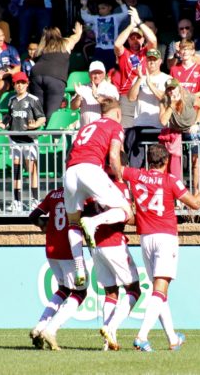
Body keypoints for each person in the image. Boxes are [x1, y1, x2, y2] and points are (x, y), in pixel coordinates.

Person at [123, 143, 200, 351]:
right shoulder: (170, 180)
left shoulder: (136, 175)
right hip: (165, 237)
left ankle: (172, 338)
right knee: (160, 290)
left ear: (149, 160)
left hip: (145, 239)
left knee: (159, 292)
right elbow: (195, 203)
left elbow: (118, 168)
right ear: (166, 161)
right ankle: (142, 336)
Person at [63, 98, 134, 287]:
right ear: (118, 113)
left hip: (71, 171)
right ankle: (92, 222)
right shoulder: (115, 126)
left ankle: (79, 266)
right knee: (125, 210)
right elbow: (114, 156)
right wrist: (119, 178)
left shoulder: (87, 127)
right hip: (91, 169)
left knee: (73, 222)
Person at [83, 155, 141, 352]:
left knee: (110, 292)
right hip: (114, 242)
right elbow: (126, 217)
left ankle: (108, 341)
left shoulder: (94, 187)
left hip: (95, 245)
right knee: (134, 289)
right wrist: (142, 218)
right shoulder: (119, 187)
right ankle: (111, 327)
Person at [27, 187, 87, 351]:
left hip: (51, 250)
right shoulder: (79, 194)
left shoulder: (53, 194)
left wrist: (43, 225)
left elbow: (33, 216)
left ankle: (39, 327)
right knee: (80, 293)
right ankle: (51, 330)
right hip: (68, 250)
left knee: (63, 289)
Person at [0, 71, 46, 212]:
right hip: (15, 139)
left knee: (32, 169)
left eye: (22, 83)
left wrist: (35, 125)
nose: (19, 85)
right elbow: (8, 116)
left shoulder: (33, 99)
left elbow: (42, 117)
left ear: (27, 84)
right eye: (17, 83)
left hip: (29, 139)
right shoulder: (12, 100)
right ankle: (17, 201)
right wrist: (2, 123)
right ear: (13, 85)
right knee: (16, 170)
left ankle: (35, 199)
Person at [125, 48, 171, 168]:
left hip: (159, 125)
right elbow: (131, 97)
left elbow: (166, 98)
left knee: (156, 162)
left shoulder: (167, 79)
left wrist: (150, 85)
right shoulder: (139, 78)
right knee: (136, 163)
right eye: (149, 59)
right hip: (140, 124)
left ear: (160, 61)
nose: (152, 62)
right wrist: (140, 79)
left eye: (154, 60)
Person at [114, 8, 158, 128]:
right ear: (128, 40)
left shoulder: (147, 51)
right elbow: (117, 44)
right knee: (127, 131)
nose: (135, 40)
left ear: (143, 39)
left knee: (145, 130)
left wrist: (138, 21)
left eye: (138, 37)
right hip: (127, 96)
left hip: (145, 94)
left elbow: (153, 40)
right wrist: (131, 26)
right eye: (132, 38)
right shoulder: (124, 53)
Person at [159, 79, 200, 192]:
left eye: (173, 88)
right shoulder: (164, 101)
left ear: (178, 88)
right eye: (169, 89)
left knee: (196, 161)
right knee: (174, 161)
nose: (172, 91)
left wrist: (197, 123)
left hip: (193, 128)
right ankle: (177, 192)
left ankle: (196, 192)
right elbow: (163, 121)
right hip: (177, 131)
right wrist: (171, 105)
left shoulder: (188, 96)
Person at [30, 22, 83, 119]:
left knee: (38, 113)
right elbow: (75, 38)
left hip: (36, 75)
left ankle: (38, 128)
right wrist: (78, 32)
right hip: (55, 76)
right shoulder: (65, 43)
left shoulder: (41, 47)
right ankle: (51, 128)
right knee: (52, 113)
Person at [80, 0, 128, 71]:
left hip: (112, 49)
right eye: (99, 9)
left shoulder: (115, 17)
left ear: (110, 8)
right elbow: (85, 17)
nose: (100, 10)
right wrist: (84, 5)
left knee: (112, 70)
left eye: (103, 8)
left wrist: (121, 3)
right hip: (99, 49)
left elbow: (125, 14)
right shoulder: (96, 18)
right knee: (96, 69)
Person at [70, 60, 119, 127]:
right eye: (94, 73)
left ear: (104, 73)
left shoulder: (111, 88)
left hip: (104, 128)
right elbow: (73, 107)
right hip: (87, 128)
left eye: (99, 73)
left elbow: (112, 105)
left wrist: (96, 96)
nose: (97, 76)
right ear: (89, 74)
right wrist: (78, 96)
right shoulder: (83, 88)